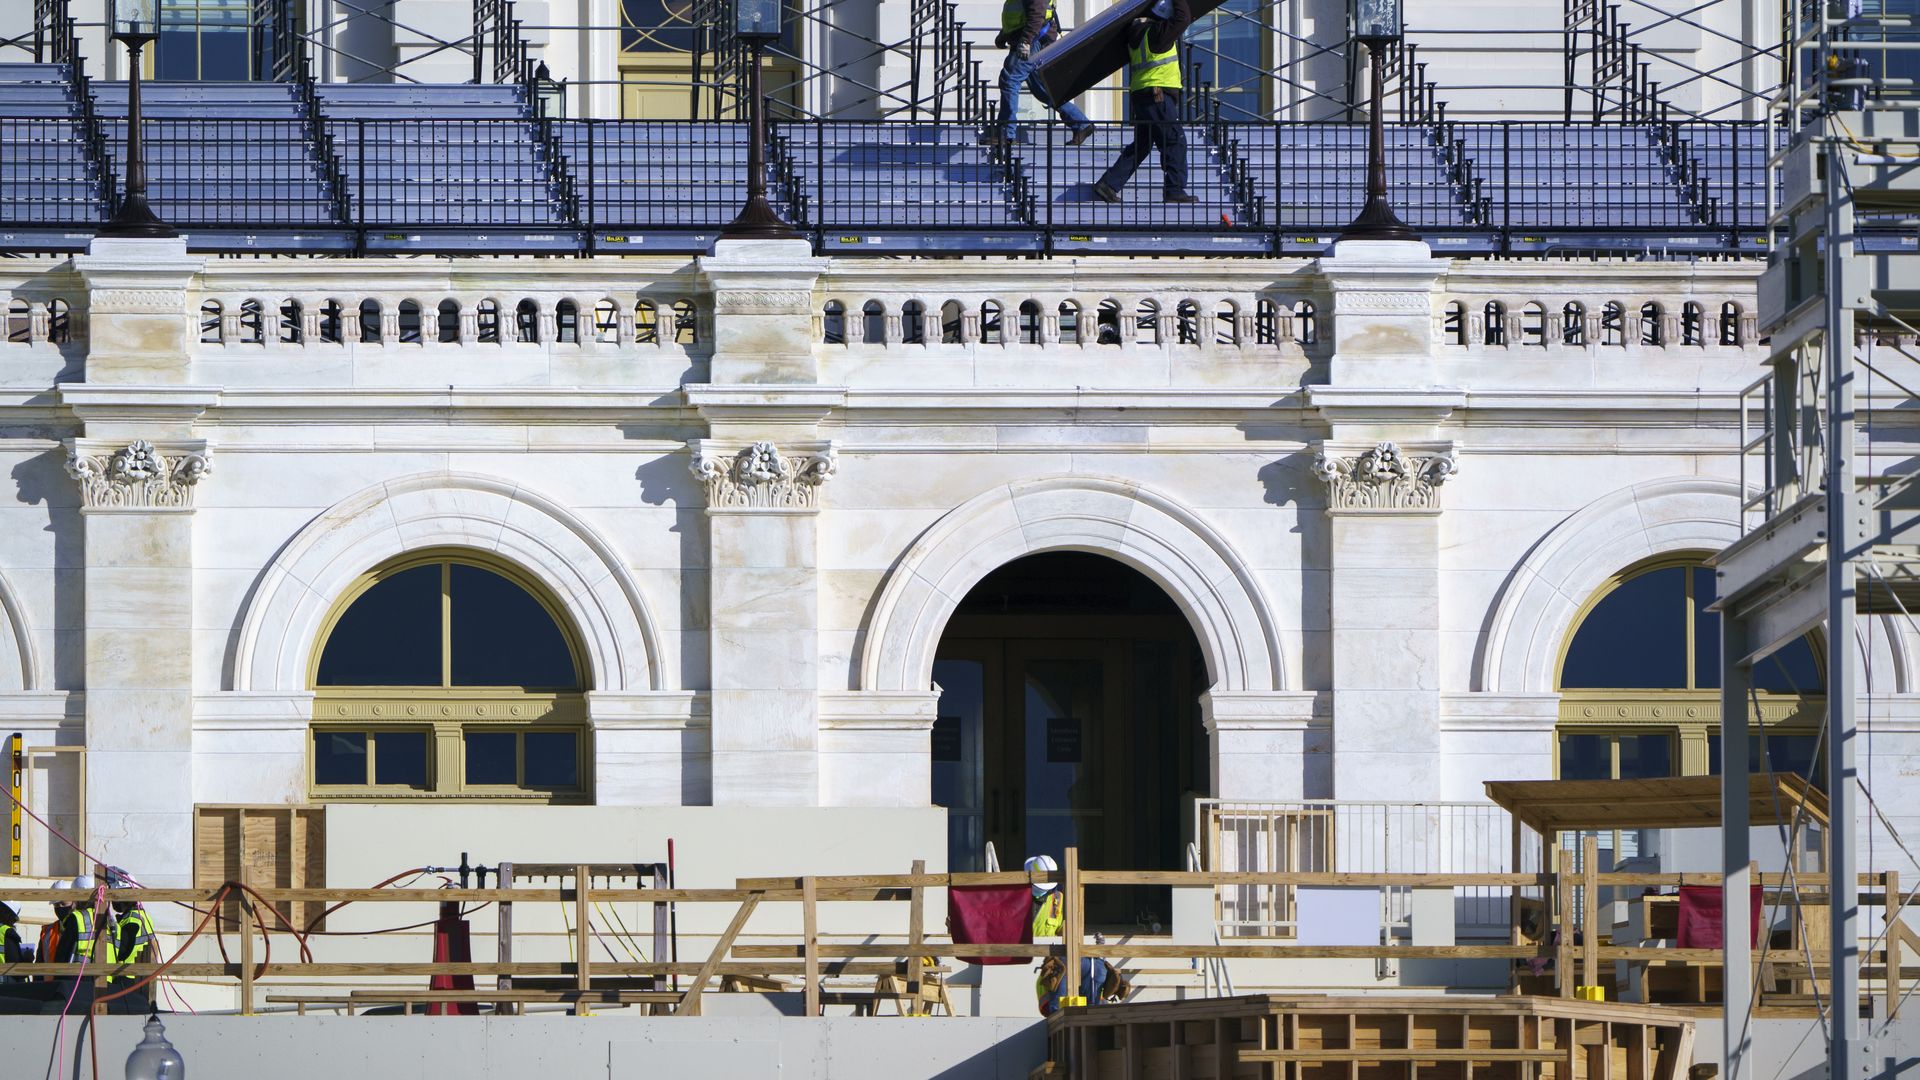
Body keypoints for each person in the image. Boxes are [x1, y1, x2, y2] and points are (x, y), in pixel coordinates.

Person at [1092, 0, 1197, 205]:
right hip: (1157, 95)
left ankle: (1108, 184)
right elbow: (1183, 18)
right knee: (1174, 139)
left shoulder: (1135, 35)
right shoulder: (1157, 34)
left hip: (1142, 96)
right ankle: (1174, 189)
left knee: (1143, 144)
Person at [983, 0, 1094, 149]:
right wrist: (1005, 35)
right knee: (1042, 89)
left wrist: (1025, 41)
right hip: (1031, 38)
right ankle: (1081, 124)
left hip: (1032, 40)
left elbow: (1037, 13)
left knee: (1010, 80)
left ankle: (1005, 134)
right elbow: (1021, 13)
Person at [103, 867, 155, 1014]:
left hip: (125, 977)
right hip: (134, 978)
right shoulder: (139, 916)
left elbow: (123, 951)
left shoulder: (132, 920)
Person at [34, 880, 69, 984]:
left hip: (74, 985)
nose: (60, 908)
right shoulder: (48, 931)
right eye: (56, 905)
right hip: (50, 987)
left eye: (63, 903)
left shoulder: (81, 927)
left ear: (74, 902)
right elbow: (40, 963)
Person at [1025, 854, 1064, 938]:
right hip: (1019, 950)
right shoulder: (1018, 896)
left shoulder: (1058, 899)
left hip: (1047, 950)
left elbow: (1062, 930)